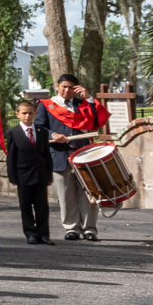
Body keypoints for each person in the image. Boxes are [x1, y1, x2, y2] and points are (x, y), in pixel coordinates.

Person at [38, 74, 106, 242]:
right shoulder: (46, 105)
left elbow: (99, 119)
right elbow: (39, 126)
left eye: (71, 87)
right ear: (57, 85)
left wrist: (88, 97)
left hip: (84, 154)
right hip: (60, 154)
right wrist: (53, 134)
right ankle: (71, 228)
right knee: (65, 193)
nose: (67, 90)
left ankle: (90, 229)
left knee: (88, 192)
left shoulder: (82, 103)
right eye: (64, 86)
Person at [5, 98, 54, 244]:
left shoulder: (42, 132)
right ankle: (30, 233)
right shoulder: (13, 132)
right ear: (18, 114)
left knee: (42, 207)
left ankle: (43, 234)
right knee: (26, 206)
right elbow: (12, 156)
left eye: (30, 113)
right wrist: (13, 176)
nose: (27, 116)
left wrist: (49, 174)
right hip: (23, 175)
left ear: (34, 114)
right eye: (24, 113)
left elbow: (46, 154)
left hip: (40, 174)